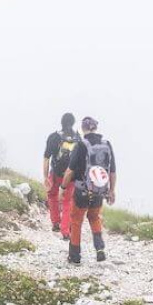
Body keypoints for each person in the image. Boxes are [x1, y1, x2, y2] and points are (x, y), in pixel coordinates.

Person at [61, 116, 116, 265]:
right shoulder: (107, 145)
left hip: (81, 190)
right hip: (99, 189)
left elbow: (70, 171)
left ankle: (74, 255)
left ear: (83, 128)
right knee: (94, 217)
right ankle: (100, 249)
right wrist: (111, 191)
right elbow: (112, 171)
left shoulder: (81, 145)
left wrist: (63, 188)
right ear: (95, 127)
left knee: (76, 220)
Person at [42, 113, 80, 238]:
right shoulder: (78, 138)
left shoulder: (54, 137)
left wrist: (45, 176)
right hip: (71, 176)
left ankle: (56, 223)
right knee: (67, 201)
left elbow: (47, 158)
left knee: (52, 195)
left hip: (56, 174)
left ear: (61, 122)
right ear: (73, 123)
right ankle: (65, 231)